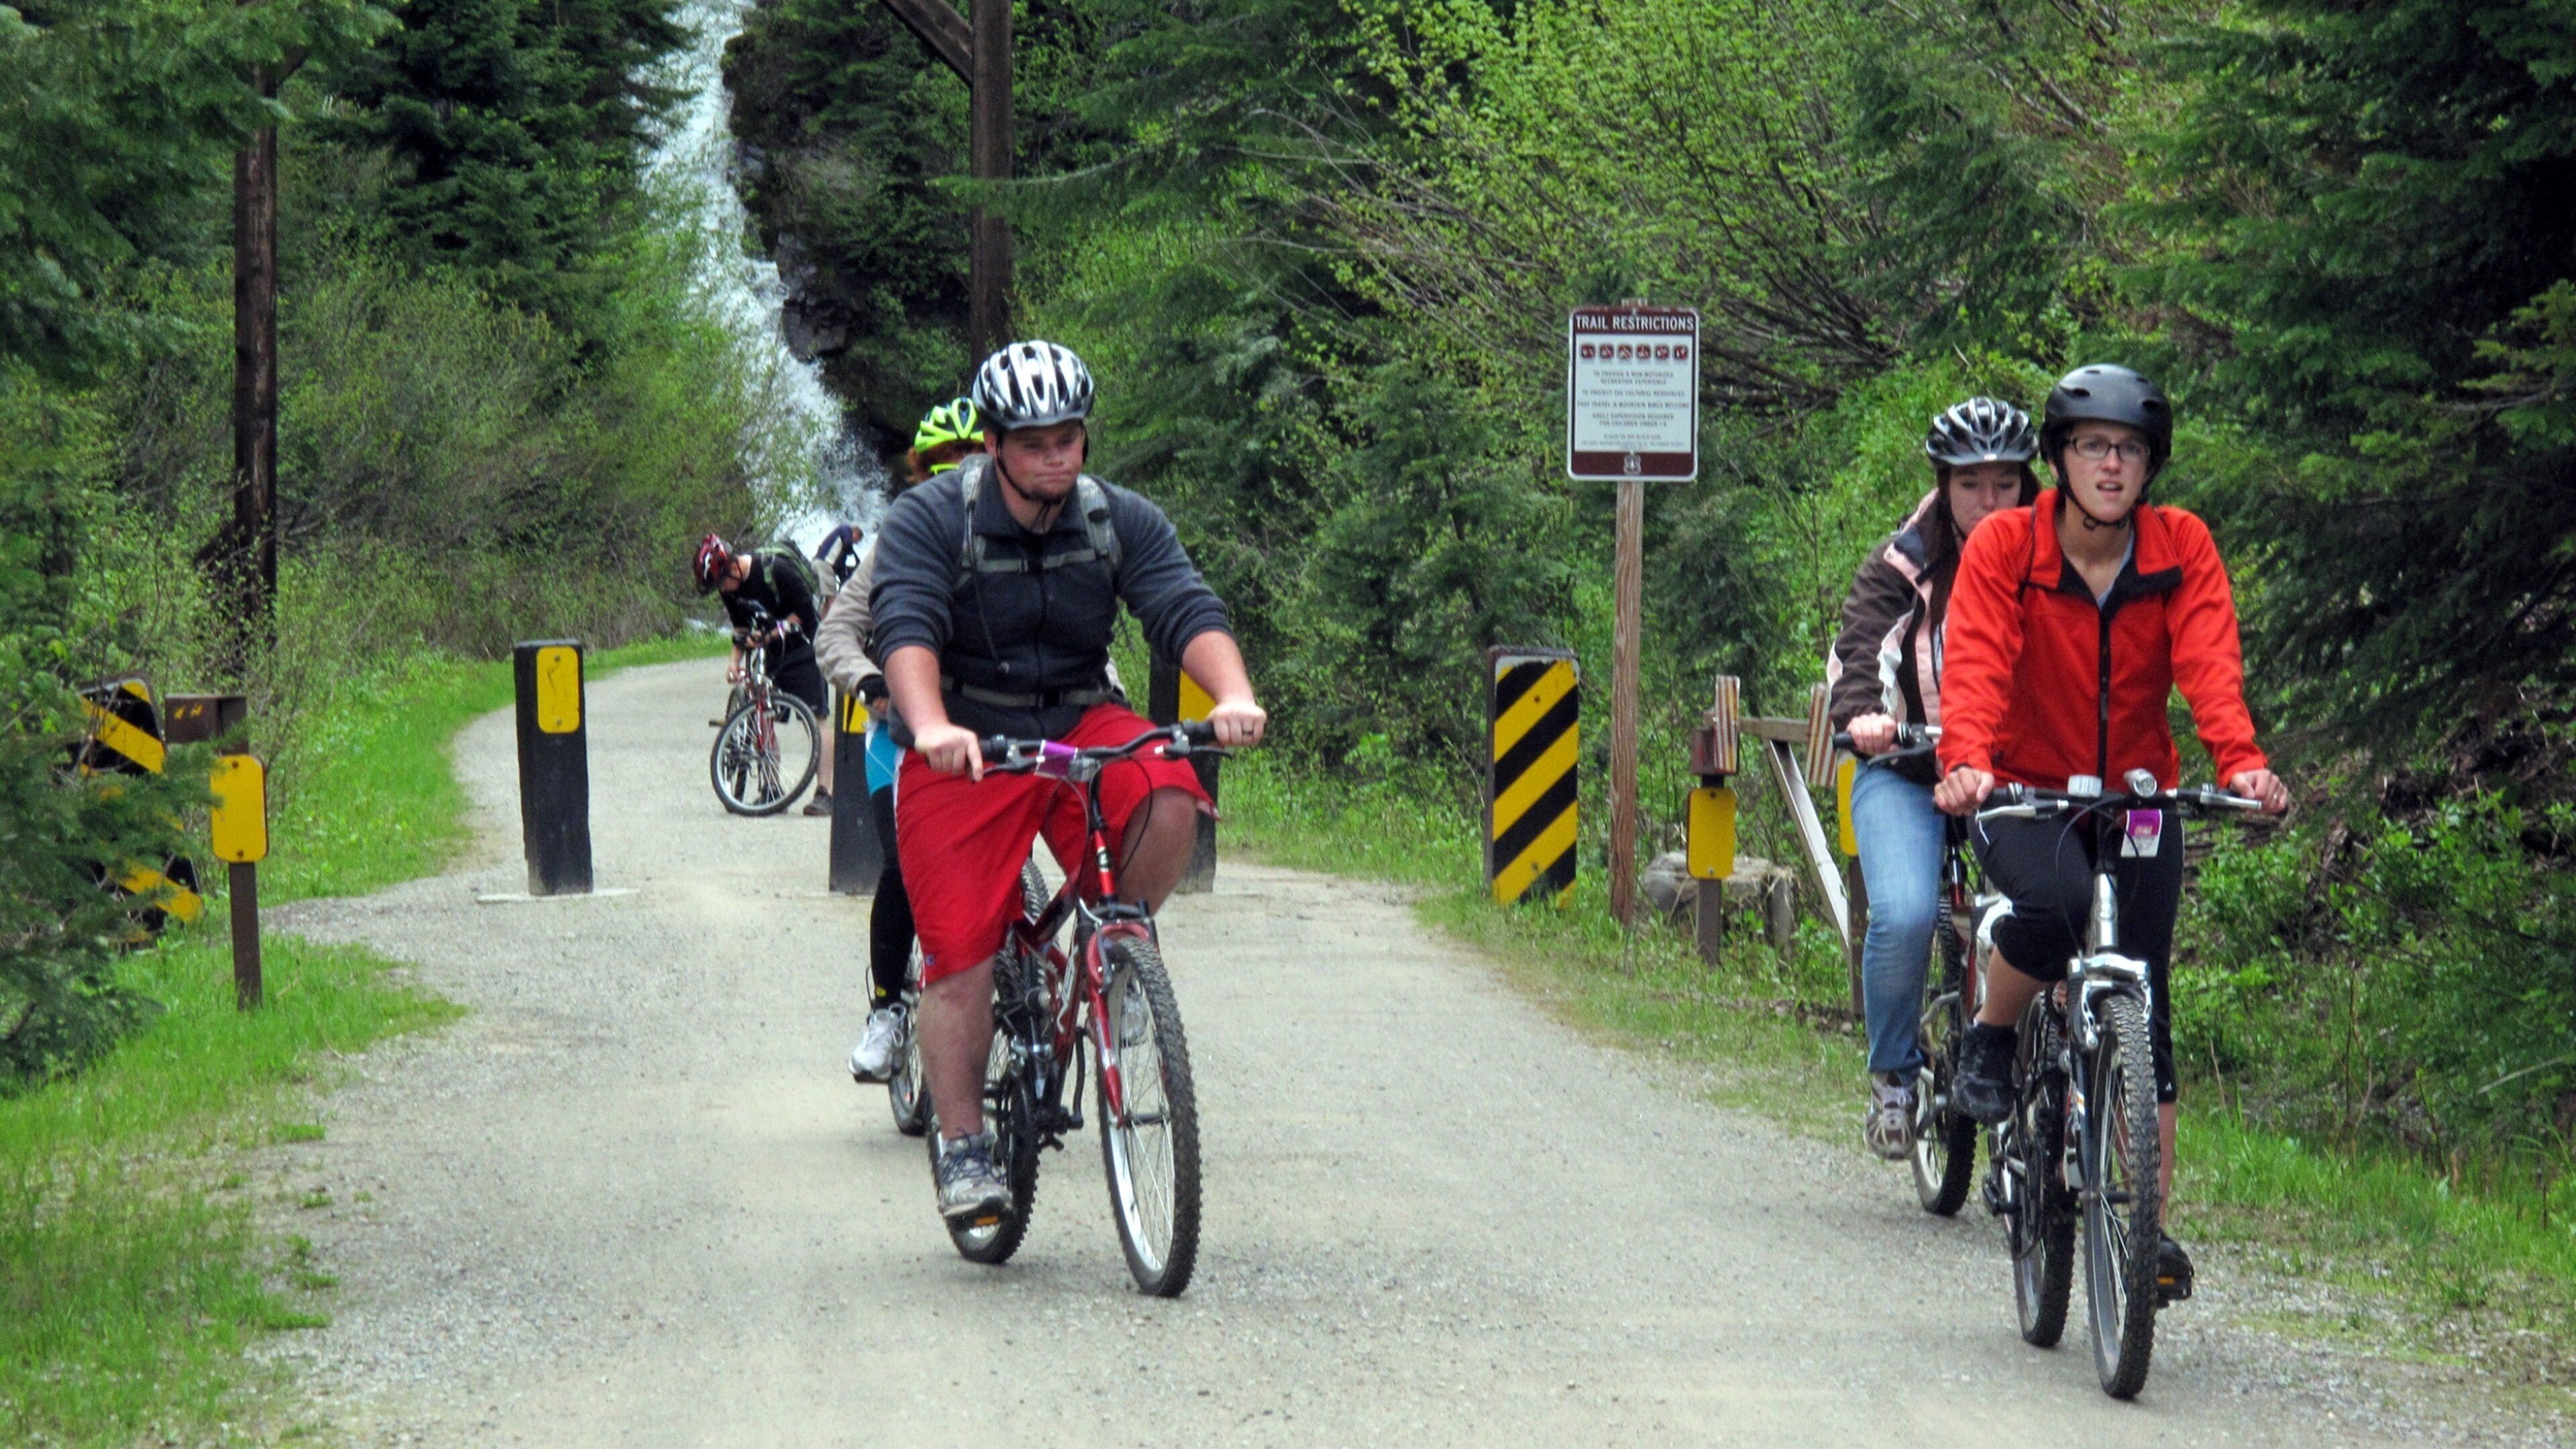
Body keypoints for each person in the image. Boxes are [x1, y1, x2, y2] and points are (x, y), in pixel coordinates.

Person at [869, 341, 1266, 1224]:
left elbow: (1183, 605)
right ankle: (966, 1144)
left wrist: (1233, 692)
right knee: (962, 960)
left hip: (1081, 713)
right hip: (968, 738)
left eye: (1070, 440)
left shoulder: (1115, 518)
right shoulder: (937, 518)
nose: (1057, 458)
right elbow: (906, 623)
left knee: (1170, 787)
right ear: (996, 444)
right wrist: (930, 725)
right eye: (1037, 443)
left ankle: (1110, 953)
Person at [1931, 364, 2290, 1303]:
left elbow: (2210, 661)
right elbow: (1974, 656)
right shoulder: (2009, 545)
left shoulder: (2181, 547)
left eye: (2129, 450)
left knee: (2147, 1001)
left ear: (2149, 466)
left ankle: (2142, 1222)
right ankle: (1992, 1030)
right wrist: (1966, 758)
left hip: (2137, 797)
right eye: (2093, 446)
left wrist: (2241, 760)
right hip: (2024, 786)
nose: (2111, 464)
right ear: (2059, 458)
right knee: (2047, 917)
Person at [1825, 396, 2038, 1161]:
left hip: (2006, 773)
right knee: (1909, 914)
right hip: (1909, 767)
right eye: (1972, 485)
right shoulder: (1904, 563)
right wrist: (1861, 717)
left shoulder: (2056, 555)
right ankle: (1893, 1074)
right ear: (1944, 485)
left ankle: (2045, 1080)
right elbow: (1857, 654)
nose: (1990, 503)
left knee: (2043, 912)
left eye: (2005, 484)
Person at [814, 396, 990, 1083]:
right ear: (923, 472)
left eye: (975, 456)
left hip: (989, 733)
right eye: (946, 461)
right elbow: (835, 634)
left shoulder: (1024, 536)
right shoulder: (895, 544)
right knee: (909, 872)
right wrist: (873, 689)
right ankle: (888, 1010)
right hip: (899, 740)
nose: (962, 472)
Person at [694, 533, 828, 756]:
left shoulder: (777, 571)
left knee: (816, 721)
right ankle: (771, 786)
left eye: (722, 584)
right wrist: (734, 663)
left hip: (804, 647)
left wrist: (769, 636)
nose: (723, 590)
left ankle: (825, 790)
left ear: (734, 569)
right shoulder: (727, 587)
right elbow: (740, 627)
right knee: (763, 717)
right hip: (772, 652)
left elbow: (806, 615)